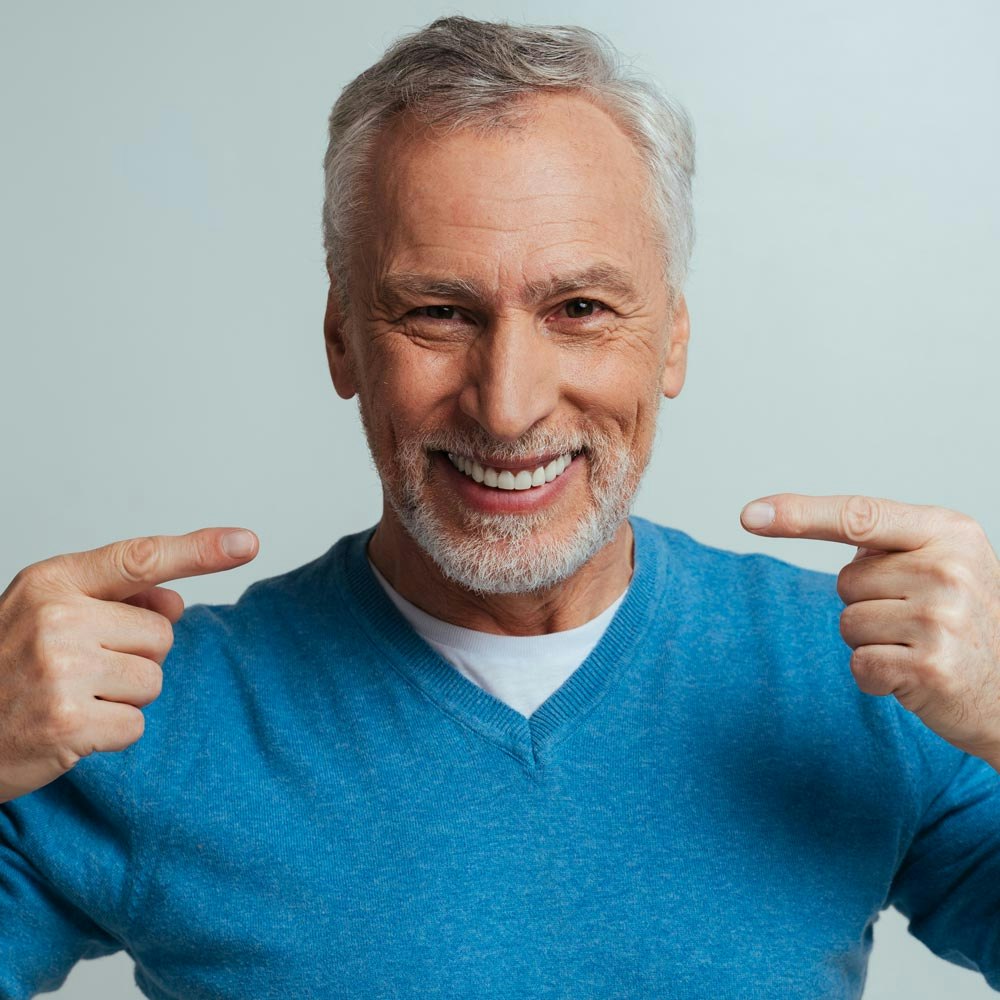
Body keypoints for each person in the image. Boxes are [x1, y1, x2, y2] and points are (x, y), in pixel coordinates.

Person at [1, 14, 998, 998]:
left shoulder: (861, 677)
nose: (508, 402)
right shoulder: (144, 717)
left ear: (673, 341)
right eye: (438, 312)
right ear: (343, 340)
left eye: (579, 310)